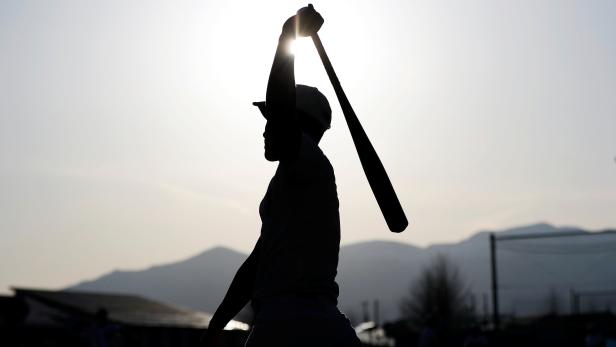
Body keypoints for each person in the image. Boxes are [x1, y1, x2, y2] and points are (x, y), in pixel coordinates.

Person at [202, 5, 361, 347]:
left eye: (270, 120)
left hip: (294, 323)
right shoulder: (291, 183)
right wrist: (217, 324)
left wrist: (286, 39)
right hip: (314, 323)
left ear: (292, 122)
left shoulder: (308, 160)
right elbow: (256, 264)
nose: (265, 131)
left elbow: (282, 109)